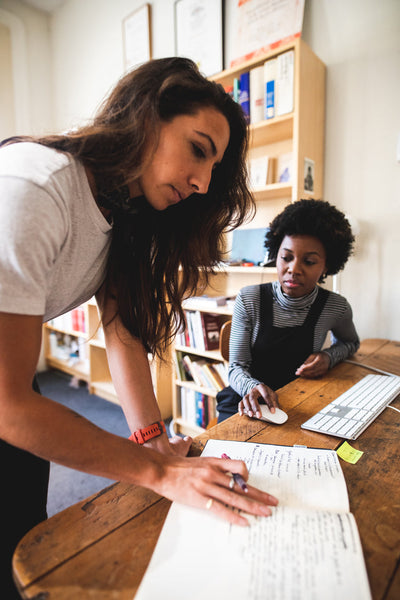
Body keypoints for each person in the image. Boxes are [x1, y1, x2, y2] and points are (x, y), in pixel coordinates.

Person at [0, 57, 279, 598]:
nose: (202, 183)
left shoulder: (121, 214)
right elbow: (8, 406)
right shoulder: (35, 187)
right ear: (148, 116)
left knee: (23, 538)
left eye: (213, 170)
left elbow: (123, 331)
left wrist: (152, 443)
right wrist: (159, 474)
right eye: (198, 149)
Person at [216, 199, 360, 422]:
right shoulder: (250, 299)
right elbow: (236, 367)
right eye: (286, 258)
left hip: (300, 399)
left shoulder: (335, 307)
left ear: (327, 265)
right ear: (276, 254)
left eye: (309, 261)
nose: (293, 269)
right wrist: (252, 387)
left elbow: (351, 343)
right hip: (248, 400)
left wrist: (328, 357)